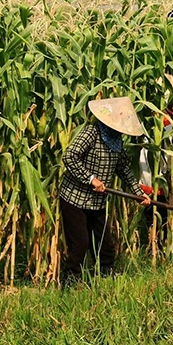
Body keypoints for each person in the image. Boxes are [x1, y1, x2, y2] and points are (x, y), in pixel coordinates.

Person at [59, 97, 151, 286]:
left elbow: (123, 169)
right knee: (80, 243)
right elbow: (69, 157)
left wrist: (137, 193)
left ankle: (106, 281)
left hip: (96, 201)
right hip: (75, 198)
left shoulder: (116, 141)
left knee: (105, 245)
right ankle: (70, 283)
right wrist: (91, 178)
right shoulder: (92, 133)